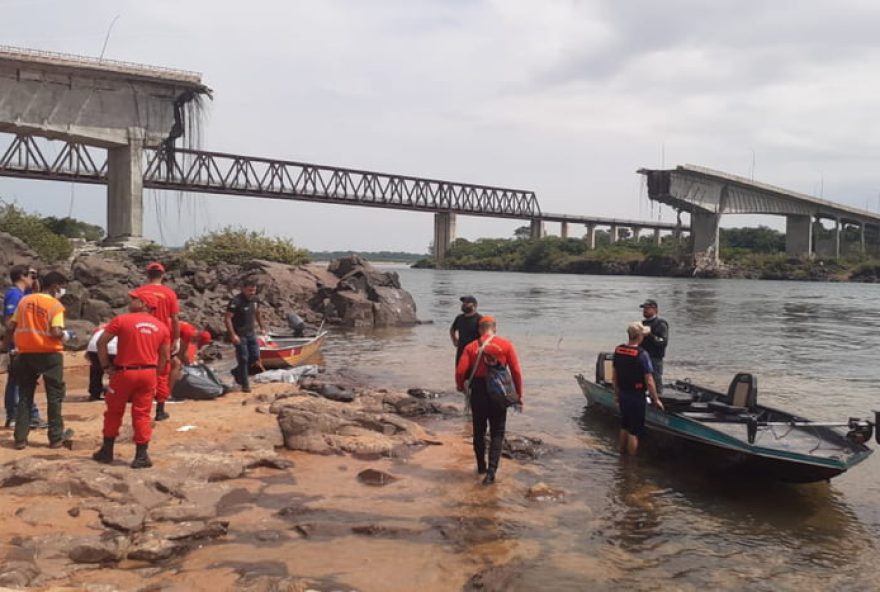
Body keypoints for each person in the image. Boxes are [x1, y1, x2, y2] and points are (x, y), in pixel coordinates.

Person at [92, 291, 169, 469]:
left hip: (124, 372)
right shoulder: (161, 327)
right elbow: (164, 356)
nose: (130, 301)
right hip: (148, 373)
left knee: (114, 411)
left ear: (143, 303)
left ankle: (107, 451)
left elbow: (101, 342)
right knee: (142, 414)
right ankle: (141, 456)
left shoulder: (122, 320)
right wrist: (156, 374)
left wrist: (105, 367)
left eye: (134, 299)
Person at [0, 271, 73, 449]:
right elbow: (55, 331)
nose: (61, 290)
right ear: (55, 286)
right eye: (61, 287)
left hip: (25, 353)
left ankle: (20, 438)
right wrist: (67, 335)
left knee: (25, 395)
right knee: (54, 397)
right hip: (50, 355)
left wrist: (4, 346)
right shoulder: (55, 306)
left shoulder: (24, 301)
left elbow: (11, 326)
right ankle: (55, 437)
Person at [455, 315, 523, 485]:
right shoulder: (506, 345)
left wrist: (460, 386)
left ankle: (480, 467)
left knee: (478, 431)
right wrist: (518, 395)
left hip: (478, 391)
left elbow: (460, 371)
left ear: (479, 329)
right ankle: (491, 473)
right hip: (499, 392)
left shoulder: (471, 347)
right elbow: (516, 372)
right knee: (497, 433)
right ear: (495, 328)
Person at [131, 262, 179, 421]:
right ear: (162, 275)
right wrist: (176, 339)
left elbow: (131, 313)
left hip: (141, 334)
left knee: (140, 368)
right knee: (163, 371)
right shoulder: (169, 293)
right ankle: (160, 409)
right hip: (161, 335)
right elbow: (174, 318)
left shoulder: (138, 292)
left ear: (147, 274)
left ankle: (140, 407)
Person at [612, 322, 664, 455]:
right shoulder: (642, 354)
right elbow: (650, 380)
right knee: (634, 431)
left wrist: (616, 394)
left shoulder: (618, 350)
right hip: (636, 395)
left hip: (623, 393)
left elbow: (614, 376)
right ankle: (630, 464)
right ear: (639, 337)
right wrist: (656, 399)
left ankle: (621, 455)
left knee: (624, 425)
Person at [2, 265, 45, 428]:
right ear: (22, 276)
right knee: (18, 381)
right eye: (32, 275)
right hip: (18, 346)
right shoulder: (14, 295)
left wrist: (35, 281)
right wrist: (15, 344)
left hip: (25, 345)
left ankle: (23, 415)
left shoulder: (24, 295)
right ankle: (15, 416)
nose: (34, 278)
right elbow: (9, 322)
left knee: (22, 381)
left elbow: (36, 294)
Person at [225, 278, 266, 393]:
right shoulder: (236, 301)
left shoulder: (255, 300)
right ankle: (245, 385)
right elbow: (227, 318)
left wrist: (262, 327)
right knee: (243, 358)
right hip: (239, 334)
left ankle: (237, 372)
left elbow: (258, 313)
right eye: (249, 290)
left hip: (251, 333)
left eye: (253, 290)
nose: (251, 293)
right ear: (243, 289)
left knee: (255, 357)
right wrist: (233, 335)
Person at [639, 299, 669, 393]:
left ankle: (659, 400)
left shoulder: (660, 323)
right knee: (641, 380)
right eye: (644, 308)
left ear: (655, 310)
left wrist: (650, 335)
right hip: (642, 356)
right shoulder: (642, 323)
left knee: (655, 380)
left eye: (647, 308)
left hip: (655, 358)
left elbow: (663, 342)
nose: (645, 310)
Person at [85, 324, 117, 401]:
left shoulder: (102, 328)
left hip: (92, 348)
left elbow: (87, 355)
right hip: (112, 349)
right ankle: (115, 392)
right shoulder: (122, 328)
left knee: (96, 370)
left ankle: (94, 393)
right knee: (118, 370)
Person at [450, 295, 482, 365]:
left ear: (474, 305)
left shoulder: (479, 319)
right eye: (463, 302)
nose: (464, 304)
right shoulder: (459, 318)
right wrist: (454, 340)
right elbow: (452, 329)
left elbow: (484, 336)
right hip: (461, 351)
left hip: (474, 352)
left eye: (467, 302)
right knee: (459, 373)